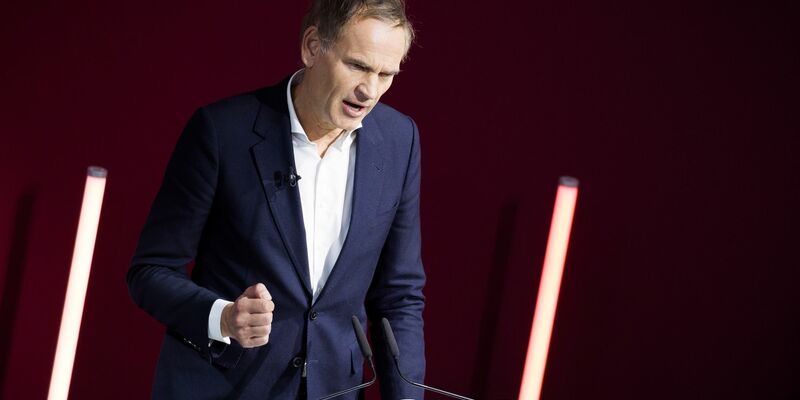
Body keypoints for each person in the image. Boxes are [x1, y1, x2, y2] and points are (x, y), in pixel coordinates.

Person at [127, 0, 425, 398]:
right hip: (222, 387)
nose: (369, 90)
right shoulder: (221, 132)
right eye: (357, 65)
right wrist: (225, 317)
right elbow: (150, 272)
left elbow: (400, 296)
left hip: (333, 390)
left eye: (386, 74)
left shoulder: (399, 141)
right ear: (313, 47)